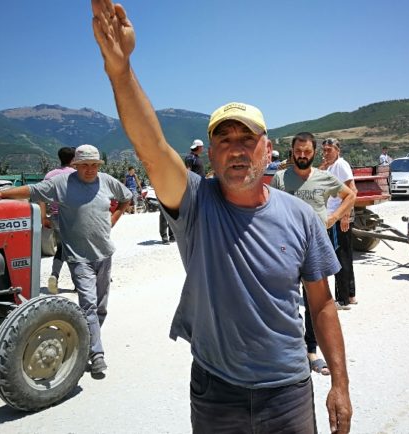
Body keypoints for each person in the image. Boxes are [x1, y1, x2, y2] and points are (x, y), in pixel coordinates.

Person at [90, 2, 352, 432]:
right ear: (210, 153)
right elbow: (152, 149)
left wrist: (340, 383)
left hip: (287, 390)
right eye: (224, 139)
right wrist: (121, 71)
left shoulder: (300, 218)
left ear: (267, 149)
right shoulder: (197, 204)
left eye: (247, 138)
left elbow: (321, 303)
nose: (236, 149)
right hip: (216, 391)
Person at [0, 143, 131, 379]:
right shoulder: (62, 183)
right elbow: (33, 190)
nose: (90, 169)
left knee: (101, 307)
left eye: (94, 165)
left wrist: (114, 218)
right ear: (76, 165)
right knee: (89, 305)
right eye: (85, 165)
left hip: (105, 254)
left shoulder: (107, 181)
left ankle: (86, 342)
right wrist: (2, 193)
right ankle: (97, 354)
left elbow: (127, 197)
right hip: (79, 257)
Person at [270, 132, 356, 377]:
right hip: (285, 247)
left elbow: (350, 195)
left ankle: (311, 351)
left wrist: (334, 217)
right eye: (298, 151)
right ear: (292, 151)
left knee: (315, 303)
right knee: (284, 300)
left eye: (307, 152)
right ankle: (288, 350)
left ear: (314, 153)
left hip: (314, 248)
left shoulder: (324, 177)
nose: (302, 155)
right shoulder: (280, 178)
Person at [320, 138, 358, 307]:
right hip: (335, 216)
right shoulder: (330, 166)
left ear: (338, 150)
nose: (325, 153)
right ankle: (350, 295)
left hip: (338, 216)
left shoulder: (341, 165)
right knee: (345, 255)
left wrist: (344, 216)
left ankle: (342, 299)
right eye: (324, 150)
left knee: (340, 257)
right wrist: (324, 165)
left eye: (329, 150)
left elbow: (353, 190)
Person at [42, 146, 77, 294]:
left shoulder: (50, 175)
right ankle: (78, 282)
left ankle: (54, 276)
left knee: (62, 248)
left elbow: (41, 196)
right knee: (75, 249)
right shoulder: (75, 174)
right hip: (73, 217)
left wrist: (43, 217)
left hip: (55, 216)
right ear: (73, 159)